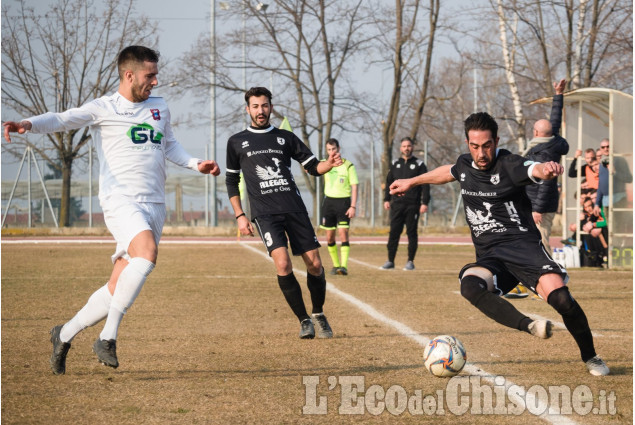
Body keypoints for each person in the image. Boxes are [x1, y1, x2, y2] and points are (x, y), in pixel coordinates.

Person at [2, 46, 221, 375]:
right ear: (129, 75)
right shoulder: (104, 108)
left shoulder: (160, 107)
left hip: (155, 204)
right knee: (146, 255)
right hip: (120, 199)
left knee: (117, 284)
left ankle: (62, 334)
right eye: (150, 76)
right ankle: (107, 338)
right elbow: (62, 119)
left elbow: (169, 144)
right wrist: (27, 125)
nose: (155, 82)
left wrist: (194, 163)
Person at [389, 112, 609, 376]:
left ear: (496, 141)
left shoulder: (509, 164)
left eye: (486, 145)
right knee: (469, 286)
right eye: (474, 146)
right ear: (468, 144)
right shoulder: (465, 164)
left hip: (523, 249)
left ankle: (591, 357)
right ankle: (529, 325)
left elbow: (532, 169)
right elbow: (447, 172)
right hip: (491, 257)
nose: (481, 153)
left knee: (562, 300)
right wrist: (411, 182)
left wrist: (546, 170)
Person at [225, 87, 342, 339]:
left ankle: (318, 314)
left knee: (315, 265)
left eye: (265, 105)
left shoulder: (285, 137)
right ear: (248, 109)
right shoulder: (236, 142)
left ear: (271, 107)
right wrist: (240, 215)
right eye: (255, 106)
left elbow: (312, 166)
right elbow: (231, 182)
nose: (260, 111)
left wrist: (328, 165)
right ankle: (303, 320)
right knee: (283, 263)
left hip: (294, 209)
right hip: (265, 214)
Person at [525, 79, 569, 254]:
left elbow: (546, 183)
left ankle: (550, 278)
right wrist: (558, 94)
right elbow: (555, 120)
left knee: (541, 244)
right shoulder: (552, 141)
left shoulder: (544, 153)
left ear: (536, 133)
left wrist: (537, 209)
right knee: (533, 243)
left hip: (540, 206)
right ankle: (534, 280)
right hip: (536, 202)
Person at [380, 137, 430, 271]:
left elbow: (425, 184)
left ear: (412, 147)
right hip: (397, 205)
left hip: (412, 205)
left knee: (411, 233)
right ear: (400, 148)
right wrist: (386, 199)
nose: (406, 148)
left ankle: (410, 261)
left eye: (408, 146)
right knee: (394, 233)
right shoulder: (395, 163)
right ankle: (390, 260)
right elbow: (389, 182)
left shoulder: (419, 164)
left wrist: (424, 202)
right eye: (404, 146)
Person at [319, 138, 359, 276]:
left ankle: (344, 266)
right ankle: (336, 266)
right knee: (329, 237)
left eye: (333, 149)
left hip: (343, 203)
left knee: (343, 233)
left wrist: (353, 206)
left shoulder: (348, 166)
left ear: (338, 149)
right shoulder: (325, 164)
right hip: (328, 203)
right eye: (329, 150)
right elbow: (312, 168)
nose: (331, 152)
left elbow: (354, 187)